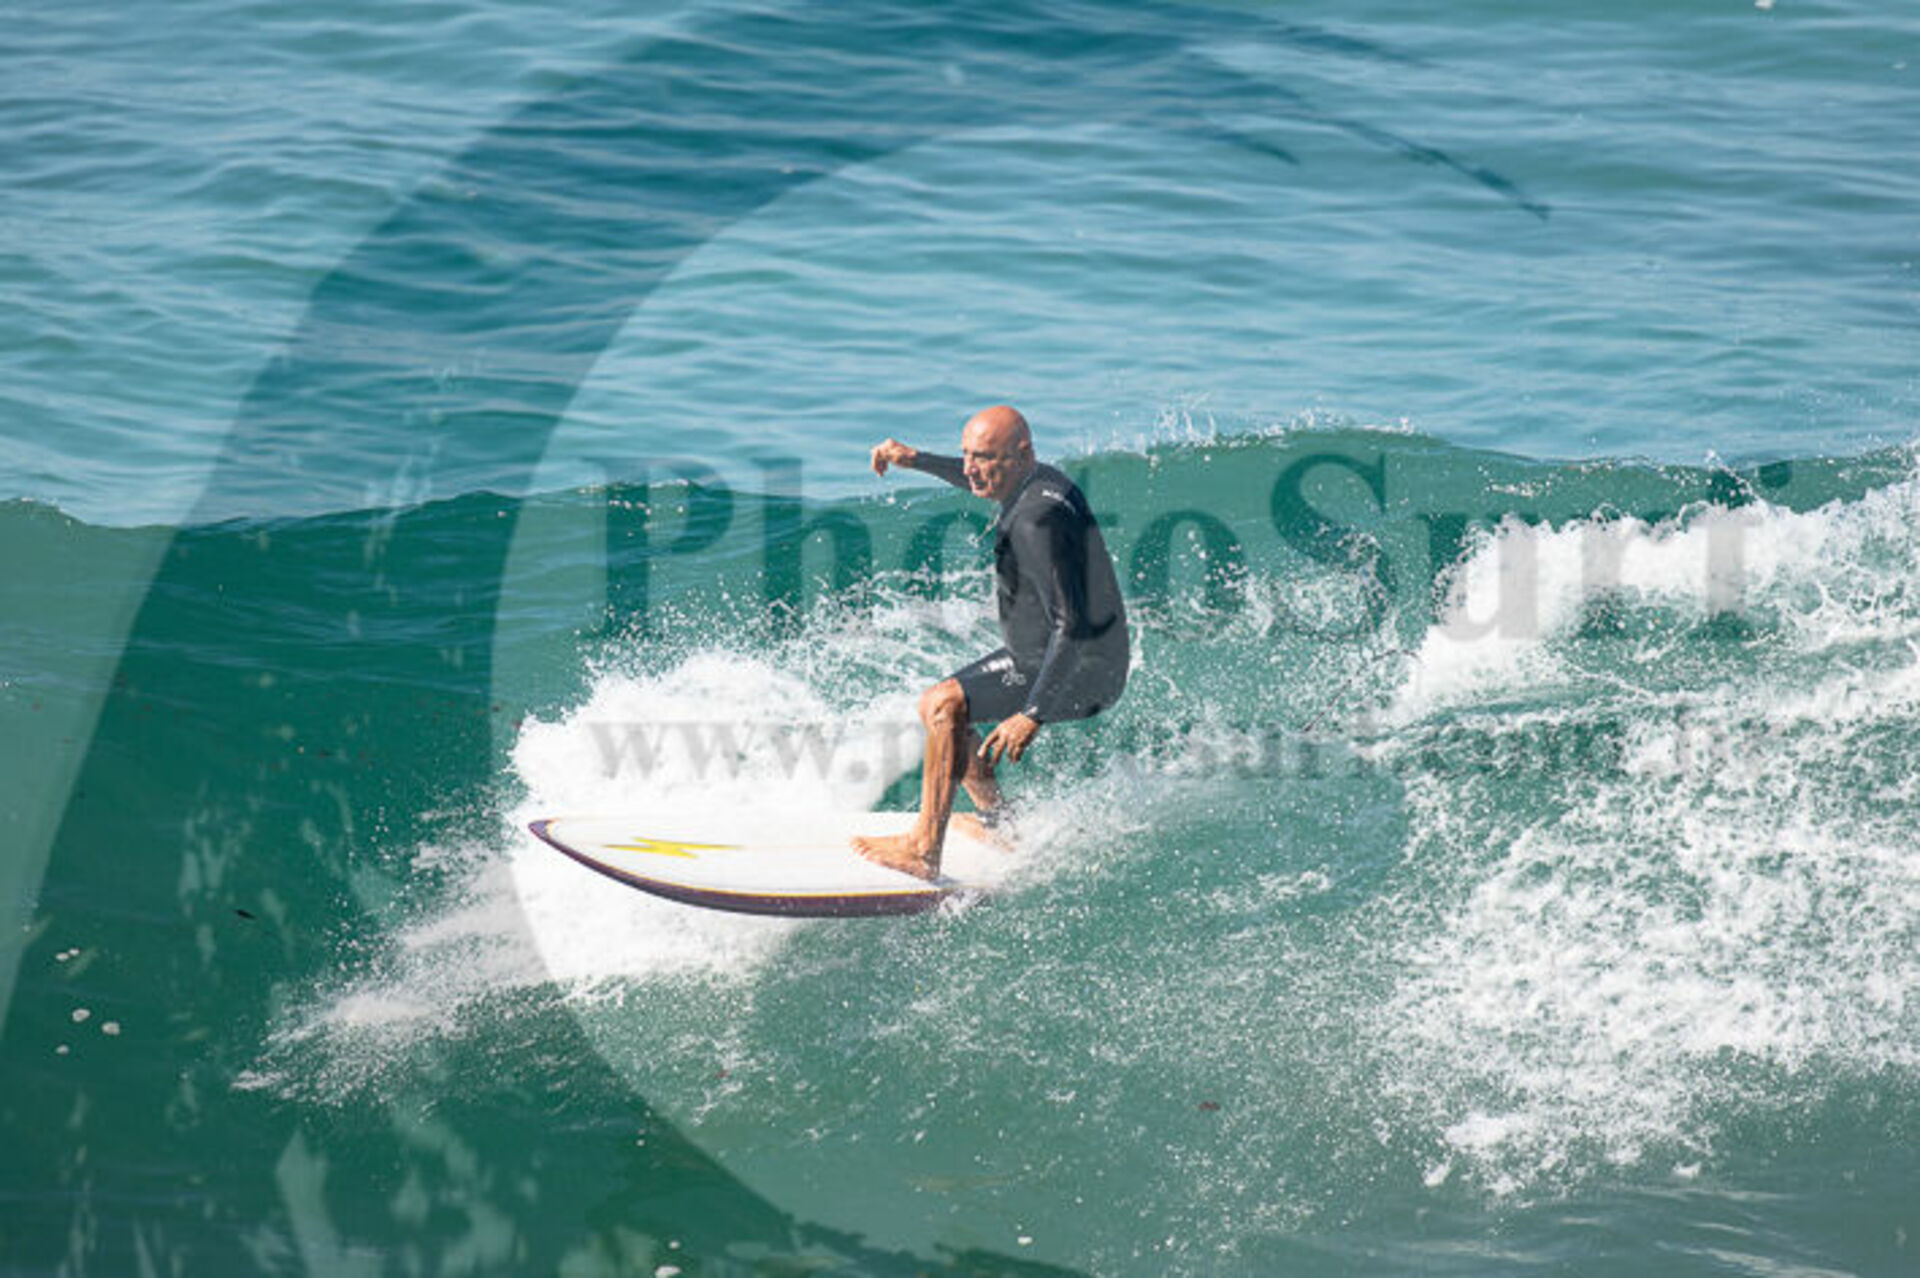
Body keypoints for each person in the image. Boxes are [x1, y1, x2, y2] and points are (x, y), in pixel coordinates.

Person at [853, 405, 1128, 879]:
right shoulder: (1041, 480)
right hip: (1066, 656)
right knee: (943, 709)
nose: (970, 468)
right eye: (967, 455)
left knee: (943, 706)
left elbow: (1072, 624)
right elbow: (979, 479)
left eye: (982, 457)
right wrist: (915, 459)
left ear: (1022, 453)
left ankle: (923, 850)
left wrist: (1033, 713)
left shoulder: (1037, 521)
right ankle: (1002, 825)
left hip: (1079, 668)